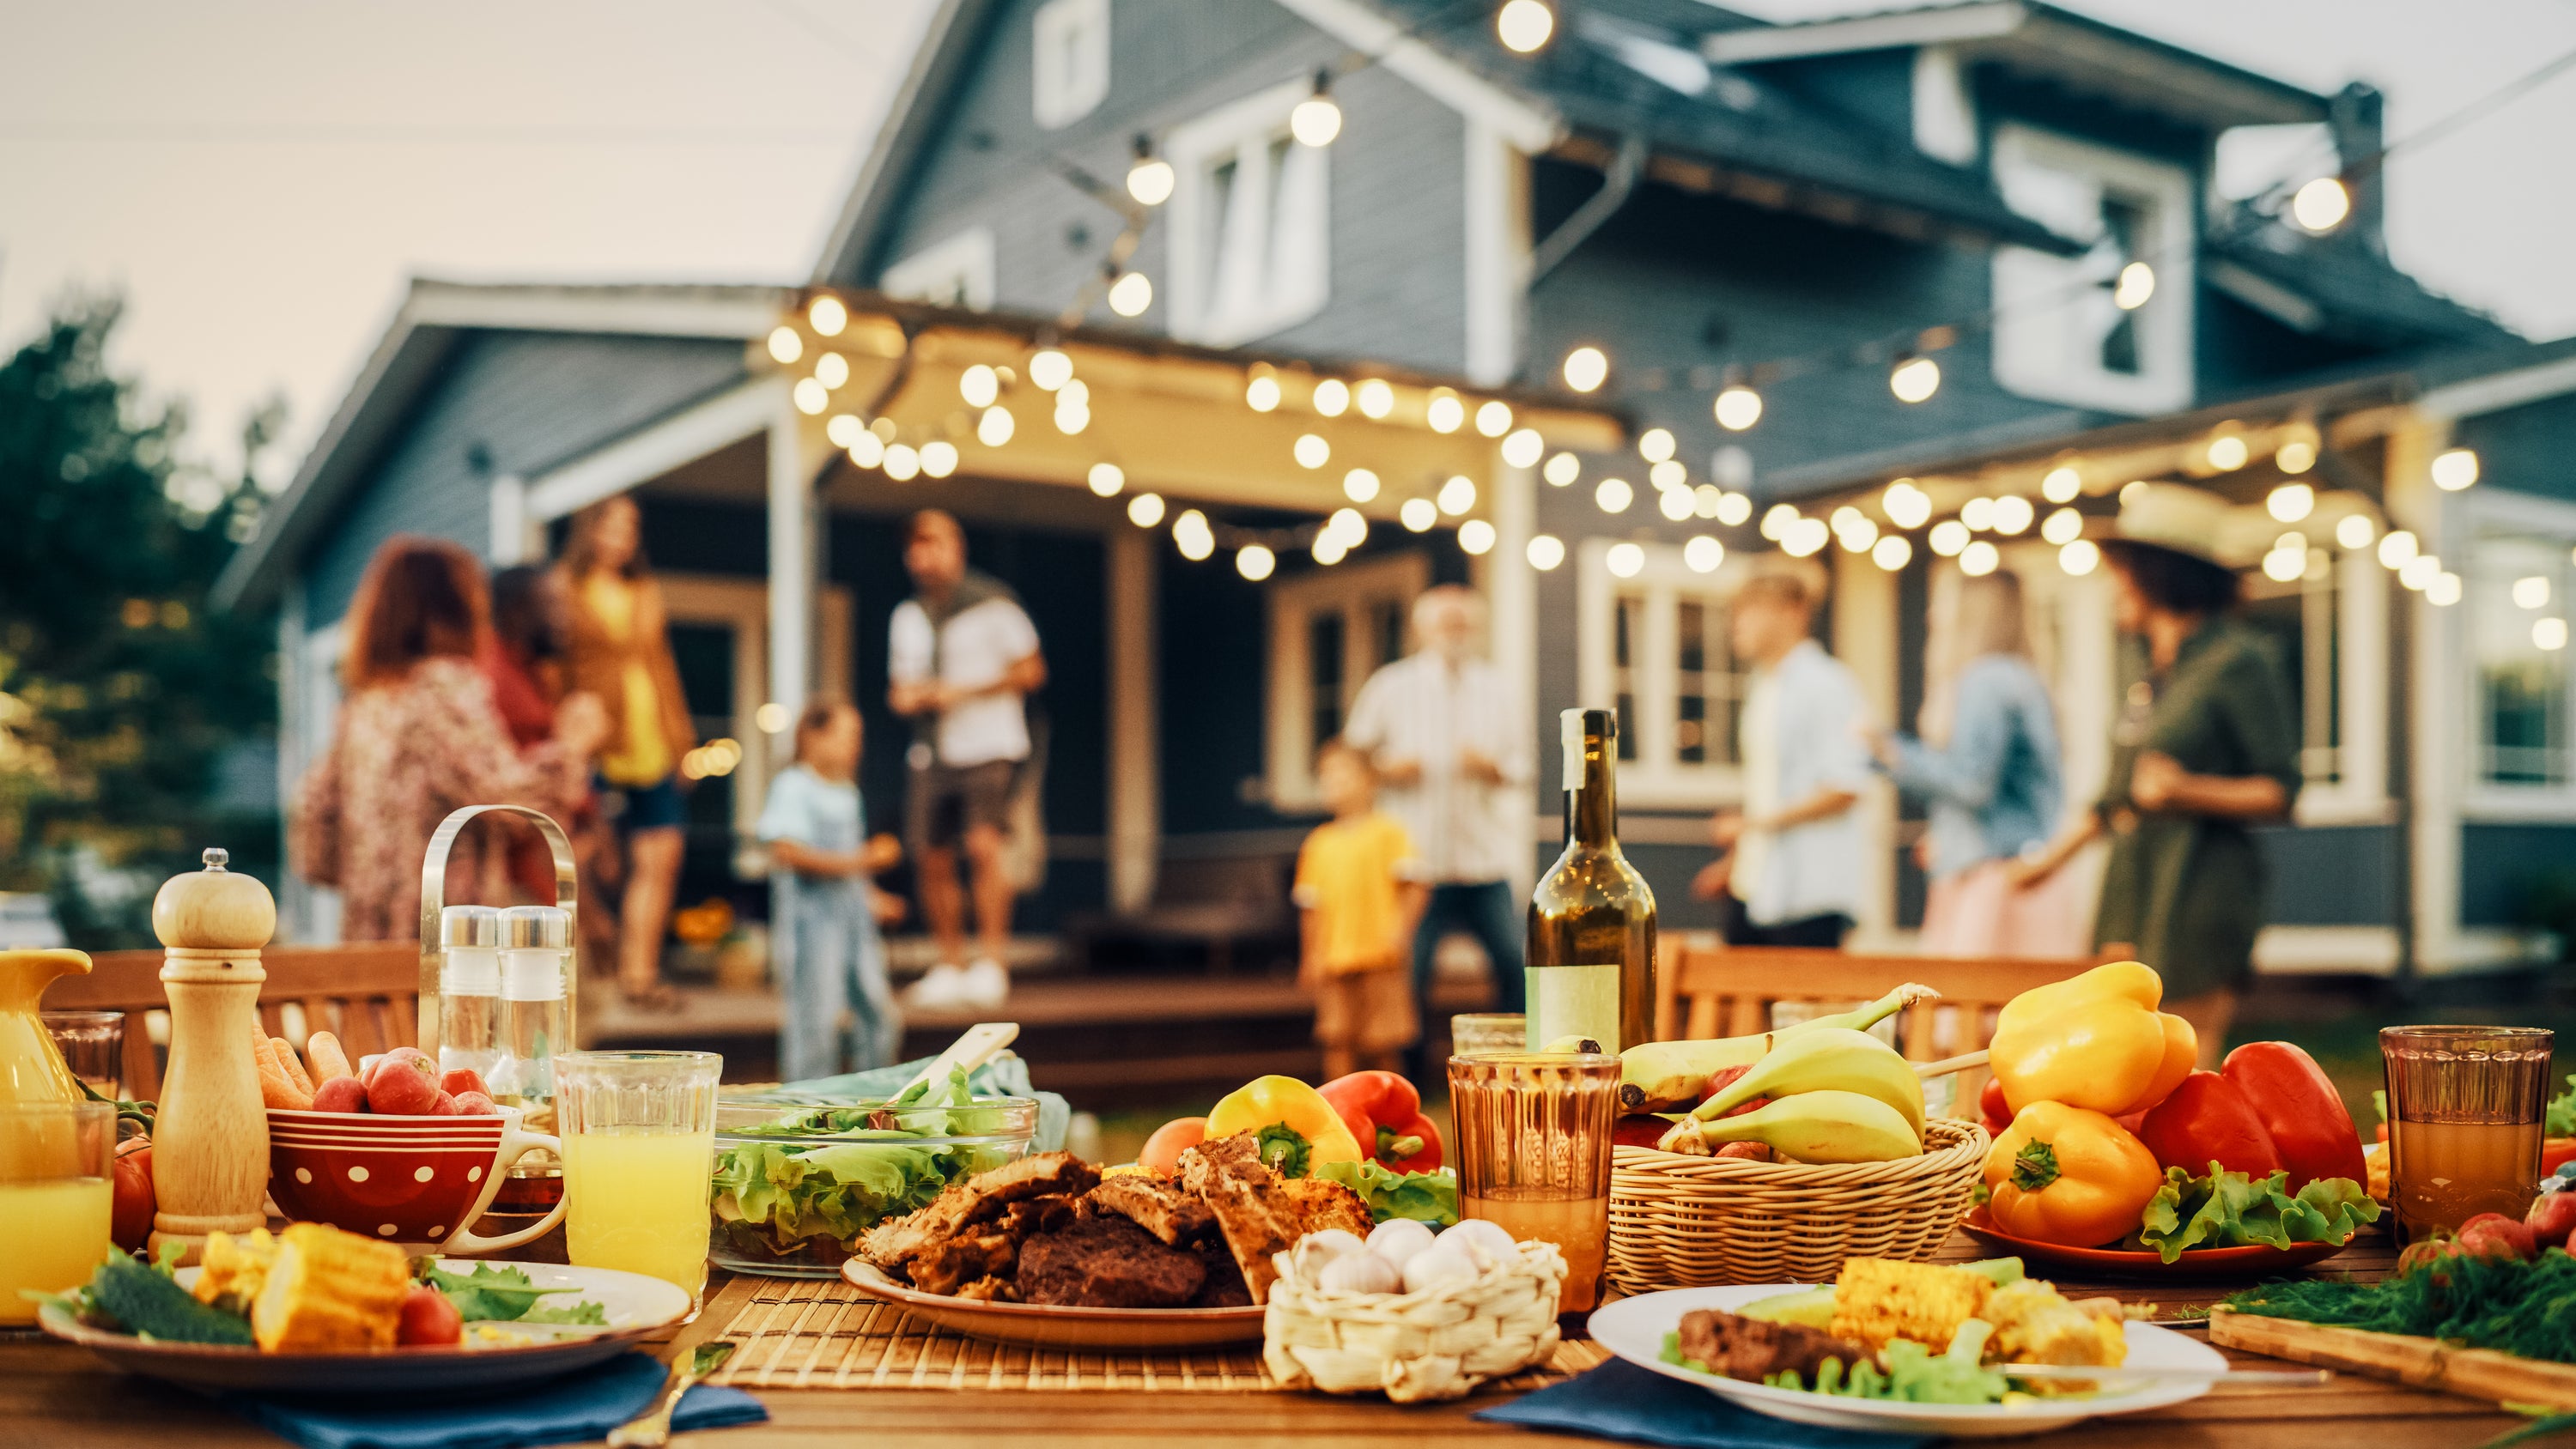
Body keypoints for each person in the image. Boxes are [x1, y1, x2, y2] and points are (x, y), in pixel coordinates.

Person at [2010, 483, 2298, 1064]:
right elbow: (2117, 797)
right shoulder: (2154, 672)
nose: (2113, 586)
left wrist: (2187, 790)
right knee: (2118, 1058)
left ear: (2160, 576)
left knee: (2183, 1062)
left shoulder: (2239, 661)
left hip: (2199, 886)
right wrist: (2043, 865)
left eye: (2123, 572)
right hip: (2131, 885)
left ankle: (2199, 1162)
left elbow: (2281, 791)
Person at [290, 537, 604, 941]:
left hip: (369, 933)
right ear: (452, 606)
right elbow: (507, 800)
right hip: (446, 937)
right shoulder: (443, 687)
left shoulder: (367, 701)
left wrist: (365, 876)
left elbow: (314, 807)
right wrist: (574, 745)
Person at [1342, 585, 1531, 1083]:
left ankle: (1510, 1068)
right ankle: (1412, 1079)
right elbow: (1354, 760)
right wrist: (1387, 768)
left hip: (1483, 858)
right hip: (1415, 864)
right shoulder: (1390, 686)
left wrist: (1493, 768)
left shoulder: (1500, 688)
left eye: (1464, 623)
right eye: (1446, 622)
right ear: (1422, 628)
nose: (1456, 631)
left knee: (1515, 964)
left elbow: (1524, 764)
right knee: (1408, 974)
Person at [1866, 568, 2086, 957]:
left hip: (1994, 881)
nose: (1932, 615)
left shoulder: (1986, 679)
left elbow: (1971, 783)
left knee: (1971, 1011)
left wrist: (1891, 753)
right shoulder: (2026, 678)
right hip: (2028, 874)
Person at [887, 510, 1045, 1011]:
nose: (923, 555)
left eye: (933, 542)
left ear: (956, 548)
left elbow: (1031, 670)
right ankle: (950, 963)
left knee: (983, 846)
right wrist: (911, 699)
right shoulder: (908, 616)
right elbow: (900, 689)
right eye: (916, 545)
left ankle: (991, 962)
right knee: (931, 855)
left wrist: (962, 691)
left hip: (989, 745)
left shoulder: (995, 605)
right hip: (932, 750)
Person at [557, 494, 696, 1010]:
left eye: (629, 528)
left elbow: (662, 665)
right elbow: (558, 671)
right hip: (597, 737)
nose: (620, 538)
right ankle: (597, 957)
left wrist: (680, 738)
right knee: (586, 857)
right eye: (610, 527)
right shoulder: (564, 588)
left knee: (661, 854)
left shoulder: (645, 590)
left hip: (650, 736)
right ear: (589, 529)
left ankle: (640, 972)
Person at [1691, 566, 1870, 947]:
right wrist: (1738, 860)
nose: (1736, 624)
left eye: (1750, 611)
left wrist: (1753, 825)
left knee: (1806, 1007)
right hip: (1757, 886)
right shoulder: (1765, 686)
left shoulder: (1827, 684)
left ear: (1793, 612)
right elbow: (1773, 789)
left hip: (1810, 894)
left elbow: (1845, 787)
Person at [757, 698, 905, 1081]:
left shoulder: (847, 792)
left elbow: (851, 871)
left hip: (855, 925)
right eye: (847, 735)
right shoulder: (792, 786)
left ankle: (873, 1102)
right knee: (816, 1022)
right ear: (812, 736)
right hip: (813, 928)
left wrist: (872, 897)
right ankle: (805, 1112)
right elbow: (787, 852)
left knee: (879, 1014)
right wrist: (866, 859)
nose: (855, 746)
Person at [1294, 739, 1427, 1081]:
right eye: (1326, 777)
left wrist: (1401, 931)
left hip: (1380, 957)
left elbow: (1416, 886)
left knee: (1385, 1041)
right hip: (1335, 960)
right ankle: (1337, 1113)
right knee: (1336, 1039)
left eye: (1343, 775)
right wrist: (1311, 955)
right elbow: (1311, 907)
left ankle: (1393, 1109)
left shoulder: (1388, 833)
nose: (1333, 784)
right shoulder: (1318, 843)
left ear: (1369, 780)